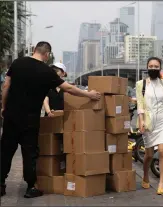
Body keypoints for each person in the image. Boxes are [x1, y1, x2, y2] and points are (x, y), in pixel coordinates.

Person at [1, 41, 101, 198]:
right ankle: (30, 188)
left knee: (6, 151)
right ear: (47, 54)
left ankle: (0, 185)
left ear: (34, 50)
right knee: (30, 153)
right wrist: (89, 94)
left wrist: (3, 107)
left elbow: (6, 86)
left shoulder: (17, 62)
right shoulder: (46, 71)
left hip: (11, 116)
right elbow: (68, 88)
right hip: (30, 119)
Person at [136, 56, 163, 195]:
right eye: (150, 66)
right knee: (149, 154)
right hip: (148, 121)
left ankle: (162, 183)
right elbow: (140, 103)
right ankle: (145, 174)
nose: (153, 68)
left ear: (159, 68)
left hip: (162, 120)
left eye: (155, 66)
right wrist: (141, 120)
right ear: (147, 67)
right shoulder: (141, 84)